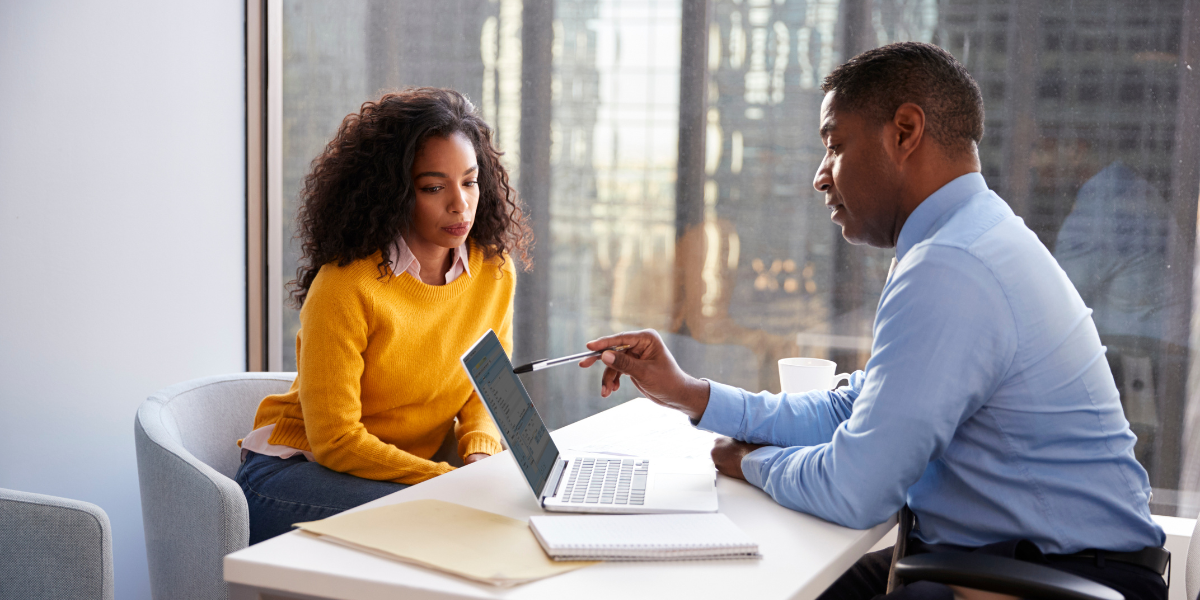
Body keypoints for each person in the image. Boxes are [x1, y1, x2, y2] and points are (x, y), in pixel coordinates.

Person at [580, 43, 1167, 600]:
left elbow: (854, 490)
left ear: (904, 133)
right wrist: (692, 395)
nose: (820, 174)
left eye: (834, 144)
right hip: (1009, 564)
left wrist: (748, 460)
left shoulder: (953, 264)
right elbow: (853, 408)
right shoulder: (966, 235)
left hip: (1047, 580)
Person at [235, 88, 531, 544]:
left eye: (469, 181)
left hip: (397, 474)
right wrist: (445, 480)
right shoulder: (346, 287)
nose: (460, 204)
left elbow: (484, 388)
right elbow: (335, 441)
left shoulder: (493, 270)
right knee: (452, 526)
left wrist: (478, 455)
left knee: (497, 516)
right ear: (393, 193)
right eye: (434, 187)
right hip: (295, 474)